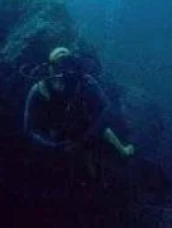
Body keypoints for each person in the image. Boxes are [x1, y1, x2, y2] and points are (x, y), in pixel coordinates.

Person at [24, 47, 134, 178]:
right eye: (60, 64)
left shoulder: (85, 81)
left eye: (67, 62)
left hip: (84, 130)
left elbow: (105, 108)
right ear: (50, 68)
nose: (64, 69)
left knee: (98, 150)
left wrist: (86, 137)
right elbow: (30, 129)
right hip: (57, 136)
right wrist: (54, 147)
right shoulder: (40, 89)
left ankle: (121, 152)